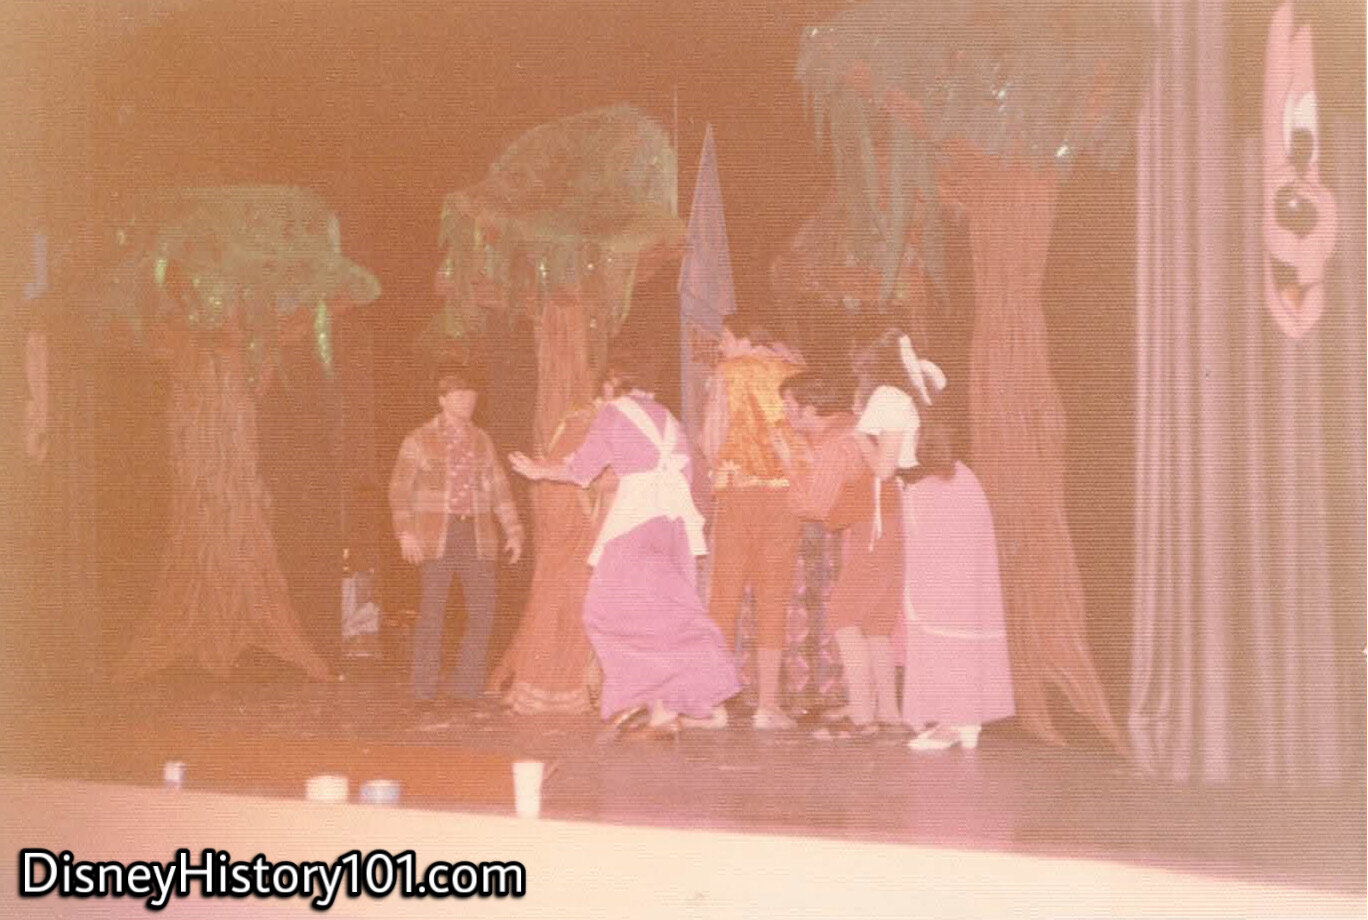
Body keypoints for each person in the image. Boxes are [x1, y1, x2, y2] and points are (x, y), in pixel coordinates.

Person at [509, 352, 739, 739]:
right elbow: (687, 473)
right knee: (668, 615)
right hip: (674, 526)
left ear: (611, 384)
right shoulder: (669, 418)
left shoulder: (614, 413)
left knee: (605, 610)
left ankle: (651, 698)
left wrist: (539, 470)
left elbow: (581, 470)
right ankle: (682, 705)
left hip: (636, 521)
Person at [775, 371, 903, 739]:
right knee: (875, 624)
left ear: (810, 410)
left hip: (871, 531)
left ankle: (862, 717)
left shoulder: (834, 442)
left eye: (789, 406)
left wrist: (788, 463)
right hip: (888, 527)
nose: (785, 413)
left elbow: (814, 506)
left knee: (844, 617)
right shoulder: (849, 427)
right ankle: (888, 713)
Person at [388, 364, 524, 707]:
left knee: (483, 610)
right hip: (436, 533)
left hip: (476, 533)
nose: (468, 401)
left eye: (472, 396)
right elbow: (399, 489)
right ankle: (423, 690)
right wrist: (405, 533)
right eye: (460, 395)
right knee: (432, 611)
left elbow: (499, 487)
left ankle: (466, 687)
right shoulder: (419, 439)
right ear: (442, 399)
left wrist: (514, 531)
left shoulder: (482, 440)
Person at [699, 314, 804, 729]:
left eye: (726, 338)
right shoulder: (794, 369)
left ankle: (715, 703)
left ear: (746, 339)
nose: (721, 347)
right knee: (773, 597)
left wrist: (720, 468)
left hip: (739, 493)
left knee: (724, 595)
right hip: (785, 496)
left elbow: (711, 437)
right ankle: (768, 706)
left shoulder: (728, 372)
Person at [487, 385, 616, 715]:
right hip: (576, 530)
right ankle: (560, 687)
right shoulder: (585, 424)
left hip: (586, 529)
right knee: (568, 603)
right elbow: (583, 479)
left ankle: (578, 686)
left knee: (569, 602)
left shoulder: (592, 421)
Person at [847, 328, 948, 737]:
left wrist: (859, 435)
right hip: (928, 498)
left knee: (858, 611)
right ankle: (905, 709)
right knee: (903, 610)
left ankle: (885, 714)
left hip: (908, 501)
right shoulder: (914, 391)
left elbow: (885, 468)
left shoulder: (888, 397)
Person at [900, 418, 1015, 750]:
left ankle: (954, 723)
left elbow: (922, 544)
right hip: (969, 586)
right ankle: (963, 721)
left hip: (944, 586)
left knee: (947, 650)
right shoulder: (966, 479)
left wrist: (916, 592)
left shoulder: (929, 490)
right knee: (963, 650)